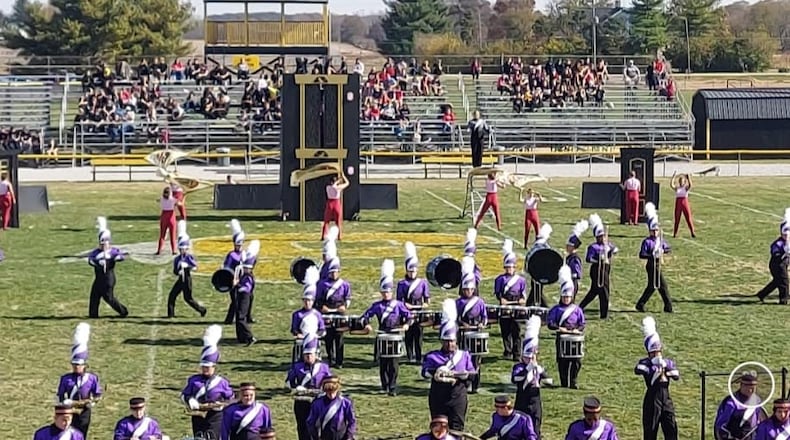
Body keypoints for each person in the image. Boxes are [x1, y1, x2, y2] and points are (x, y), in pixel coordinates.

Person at [421, 299, 477, 431]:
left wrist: (463, 375)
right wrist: (437, 373)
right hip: (438, 397)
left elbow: (472, 374)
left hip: (457, 397)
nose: (450, 344)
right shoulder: (432, 356)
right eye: (446, 341)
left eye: (452, 341)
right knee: (439, 429)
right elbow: (424, 372)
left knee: (457, 429)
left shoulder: (464, 355)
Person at [362, 259, 412, 396]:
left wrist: (406, 324)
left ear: (392, 292)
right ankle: (384, 385)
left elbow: (409, 316)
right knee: (383, 363)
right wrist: (367, 324)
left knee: (394, 364)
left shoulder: (398, 305)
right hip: (383, 335)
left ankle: (392, 386)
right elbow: (365, 315)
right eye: (384, 292)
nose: (386, 294)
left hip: (395, 335)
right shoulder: (377, 305)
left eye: (388, 292)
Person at [180, 325, 234, 440]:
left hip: (215, 416)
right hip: (198, 414)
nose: (205, 369)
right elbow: (184, 395)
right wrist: (190, 400)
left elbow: (230, 398)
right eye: (203, 367)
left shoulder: (221, 382)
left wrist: (221, 406)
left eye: (208, 367)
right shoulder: (194, 380)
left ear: (214, 367)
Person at [635, 316, 679, 440]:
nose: (657, 354)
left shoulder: (667, 362)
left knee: (671, 428)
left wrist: (665, 369)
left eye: (659, 351)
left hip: (666, 398)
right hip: (652, 398)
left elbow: (676, 375)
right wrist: (653, 368)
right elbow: (638, 369)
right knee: (651, 431)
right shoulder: (645, 362)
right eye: (654, 352)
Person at [56, 323, 102, 437]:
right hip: (69, 410)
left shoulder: (91, 378)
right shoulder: (65, 378)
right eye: (74, 365)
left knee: (81, 435)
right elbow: (60, 394)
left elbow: (97, 394)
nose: (76, 367)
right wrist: (65, 403)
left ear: (84, 366)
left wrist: (93, 403)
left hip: (84, 411)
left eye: (79, 365)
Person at [285, 334, 332, 440]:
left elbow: (330, 382)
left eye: (310, 354)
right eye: (306, 354)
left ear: (316, 354)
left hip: (319, 400)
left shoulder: (323, 367)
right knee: (302, 427)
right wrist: (296, 387)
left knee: (318, 426)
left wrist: (323, 390)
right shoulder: (297, 366)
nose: (308, 357)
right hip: (302, 401)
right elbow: (288, 382)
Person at [547, 265, 586, 389]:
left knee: (576, 361)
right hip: (562, 336)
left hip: (574, 337)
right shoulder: (556, 309)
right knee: (562, 361)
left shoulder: (577, 310)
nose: (566, 299)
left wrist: (577, 330)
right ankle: (564, 382)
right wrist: (560, 329)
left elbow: (582, 323)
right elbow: (550, 324)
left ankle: (573, 382)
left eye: (568, 297)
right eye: (564, 297)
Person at [512, 316, 551, 438]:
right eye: (527, 357)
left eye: (532, 357)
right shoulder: (518, 367)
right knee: (521, 425)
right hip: (522, 398)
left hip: (535, 400)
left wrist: (540, 370)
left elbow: (549, 382)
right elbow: (515, 379)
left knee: (536, 426)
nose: (530, 359)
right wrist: (528, 368)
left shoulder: (537, 367)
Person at [457, 256, 488, 394]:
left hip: (476, 332)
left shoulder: (479, 302)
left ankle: (476, 384)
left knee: (477, 360)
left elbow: (485, 317)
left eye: (470, 289)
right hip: (464, 333)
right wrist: (463, 324)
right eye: (466, 289)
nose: (468, 291)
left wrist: (481, 324)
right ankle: (467, 382)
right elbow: (456, 318)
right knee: (465, 358)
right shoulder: (458, 302)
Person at [315, 255, 352, 368]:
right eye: (332, 272)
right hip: (326, 312)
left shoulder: (344, 284)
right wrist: (322, 307)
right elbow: (318, 299)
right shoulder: (322, 284)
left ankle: (340, 361)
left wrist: (345, 306)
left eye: (336, 272)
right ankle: (331, 359)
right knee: (328, 337)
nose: (334, 274)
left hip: (339, 312)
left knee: (339, 336)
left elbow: (348, 298)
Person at [88, 217, 129, 318]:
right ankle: (93, 314)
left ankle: (123, 311)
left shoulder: (113, 251)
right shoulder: (96, 252)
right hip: (98, 278)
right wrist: (98, 261)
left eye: (105, 243)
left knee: (108, 298)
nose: (103, 245)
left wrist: (113, 257)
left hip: (108, 279)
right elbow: (90, 260)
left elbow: (121, 257)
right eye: (101, 243)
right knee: (94, 295)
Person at [397, 241, 430, 363]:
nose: (412, 273)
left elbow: (427, 302)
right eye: (410, 271)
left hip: (419, 313)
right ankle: (410, 356)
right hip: (407, 313)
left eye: (414, 271)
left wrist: (419, 306)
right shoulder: (402, 284)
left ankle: (418, 356)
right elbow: (399, 302)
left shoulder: (422, 283)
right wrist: (406, 306)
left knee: (419, 335)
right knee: (408, 335)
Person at [636, 204, 673, 313]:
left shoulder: (660, 240)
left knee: (652, 287)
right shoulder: (647, 241)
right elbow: (642, 254)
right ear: (650, 231)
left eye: (657, 230)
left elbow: (668, 248)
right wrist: (652, 254)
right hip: (651, 265)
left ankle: (640, 304)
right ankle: (668, 307)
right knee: (662, 286)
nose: (656, 232)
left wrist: (663, 251)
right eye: (654, 230)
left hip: (658, 264)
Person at [580, 214, 618, 320]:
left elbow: (615, 249)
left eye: (604, 236)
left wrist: (610, 250)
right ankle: (604, 314)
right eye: (600, 236)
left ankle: (580, 307)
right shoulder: (593, 247)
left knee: (594, 291)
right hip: (597, 270)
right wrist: (598, 258)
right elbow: (588, 259)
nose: (603, 238)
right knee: (604, 291)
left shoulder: (607, 244)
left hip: (606, 269)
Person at [494, 239, 526, 360]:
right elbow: (498, 293)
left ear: (514, 267)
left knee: (517, 330)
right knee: (505, 329)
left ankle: (517, 353)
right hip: (505, 304)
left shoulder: (521, 280)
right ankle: (507, 351)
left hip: (517, 305)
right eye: (507, 267)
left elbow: (523, 293)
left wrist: (522, 300)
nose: (509, 269)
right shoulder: (500, 279)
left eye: (511, 267)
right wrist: (502, 300)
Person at [168, 220, 206, 318]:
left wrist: (187, 268)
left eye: (183, 249)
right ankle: (170, 315)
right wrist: (178, 271)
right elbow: (174, 271)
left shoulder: (189, 257)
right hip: (181, 279)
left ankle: (202, 310)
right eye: (180, 249)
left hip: (187, 279)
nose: (182, 251)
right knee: (172, 296)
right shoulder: (177, 259)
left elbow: (195, 267)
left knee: (188, 298)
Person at [714, 371, 765, 440]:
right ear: (741, 385)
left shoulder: (756, 400)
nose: (751, 390)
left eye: (754, 387)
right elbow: (720, 426)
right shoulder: (731, 403)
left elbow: (759, 421)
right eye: (748, 387)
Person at [290, 266, 326, 362]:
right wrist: (298, 335)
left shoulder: (317, 314)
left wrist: (315, 336)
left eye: (309, 301)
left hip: (314, 342)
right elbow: (294, 330)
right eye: (305, 300)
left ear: (313, 301)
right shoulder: (297, 314)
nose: (307, 303)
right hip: (301, 341)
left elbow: (322, 329)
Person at [306, 376, 357, 440]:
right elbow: (310, 422)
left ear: (337, 389)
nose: (331, 395)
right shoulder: (318, 403)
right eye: (328, 392)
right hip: (325, 436)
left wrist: (349, 436)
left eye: (333, 391)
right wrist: (315, 437)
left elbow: (352, 421)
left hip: (342, 436)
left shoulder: (346, 402)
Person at [756, 209, 790, 304]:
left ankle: (761, 294)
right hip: (777, 265)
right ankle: (784, 300)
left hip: (784, 264)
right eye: (785, 234)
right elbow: (775, 253)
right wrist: (785, 250)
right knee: (784, 282)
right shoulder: (778, 244)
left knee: (777, 282)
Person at [235, 240, 260, 346]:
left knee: (241, 317)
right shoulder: (245, 275)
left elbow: (245, 288)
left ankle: (250, 337)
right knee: (239, 316)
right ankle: (241, 337)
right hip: (243, 295)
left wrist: (237, 284)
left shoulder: (248, 277)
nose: (244, 269)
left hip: (245, 296)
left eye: (246, 268)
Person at [223, 219, 245, 324]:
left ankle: (246, 317)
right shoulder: (231, 255)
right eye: (237, 245)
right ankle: (229, 319)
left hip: (243, 280)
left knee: (246, 299)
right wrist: (232, 279)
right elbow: (226, 267)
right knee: (235, 300)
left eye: (240, 245)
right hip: (233, 280)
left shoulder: (244, 254)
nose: (239, 247)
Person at [525, 224, 553, 307]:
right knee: (537, 290)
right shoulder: (545, 246)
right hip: (540, 272)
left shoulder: (535, 246)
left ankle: (530, 305)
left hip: (535, 272)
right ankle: (544, 307)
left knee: (536, 290)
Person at [565, 219, 589, 302]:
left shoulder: (575, 258)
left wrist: (570, 275)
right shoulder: (569, 257)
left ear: (573, 247)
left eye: (568, 245)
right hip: (568, 280)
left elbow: (577, 273)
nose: (566, 247)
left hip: (572, 282)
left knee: (570, 300)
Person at [321, 173, 349, 241]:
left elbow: (333, 186)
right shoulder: (336, 187)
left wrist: (338, 181)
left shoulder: (328, 187)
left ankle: (323, 236)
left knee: (326, 221)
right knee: (338, 222)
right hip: (336, 203)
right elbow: (347, 183)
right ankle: (339, 236)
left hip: (330, 203)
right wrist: (343, 177)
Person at [670, 173, 696, 238]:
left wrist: (688, 178)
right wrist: (673, 177)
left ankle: (692, 232)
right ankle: (675, 233)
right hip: (678, 203)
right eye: (680, 181)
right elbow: (672, 185)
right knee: (677, 218)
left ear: (684, 182)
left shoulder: (685, 188)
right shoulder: (677, 188)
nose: (681, 182)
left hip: (685, 202)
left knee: (688, 218)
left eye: (682, 181)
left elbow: (690, 185)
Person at [157, 186, 177, 255]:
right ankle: (173, 250)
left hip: (164, 216)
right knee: (172, 235)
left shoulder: (162, 199)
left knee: (162, 235)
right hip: (171, 216)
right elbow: (180, 203)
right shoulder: (172, 199)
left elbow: (158, 200)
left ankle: (159, 250)